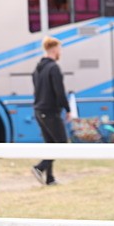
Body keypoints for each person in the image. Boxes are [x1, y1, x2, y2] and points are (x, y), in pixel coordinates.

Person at [31, 36, 70, 186]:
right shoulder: (53, 68)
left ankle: (50, 178)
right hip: (50, 111)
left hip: (38, 110)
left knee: (50, 144)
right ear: (54, 50)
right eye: (59, 49)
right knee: (61, 143)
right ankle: (39, 167)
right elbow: (59, 91)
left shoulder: (38, 68)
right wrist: (67, 109)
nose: (60, 52)